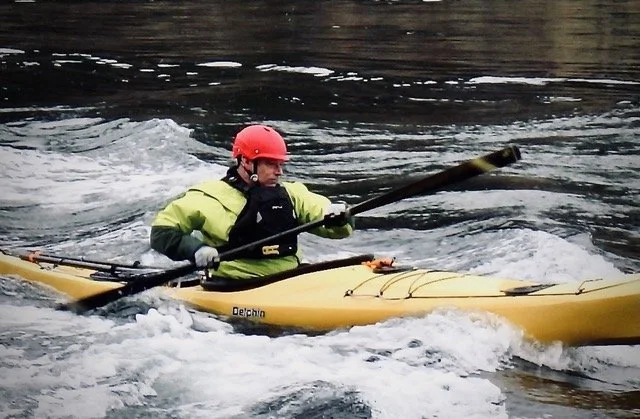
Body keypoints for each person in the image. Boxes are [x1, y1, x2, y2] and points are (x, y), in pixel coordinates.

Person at [150, 124, 354, 279]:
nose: (279, 171)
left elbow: (333, 224)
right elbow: (162, 231)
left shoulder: (292, 193)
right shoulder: (208, 196)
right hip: (235, 283)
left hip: (290, 279)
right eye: (270, 164)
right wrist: (195, 249)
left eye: (280, 164)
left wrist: (340, 215)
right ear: (245, 161)